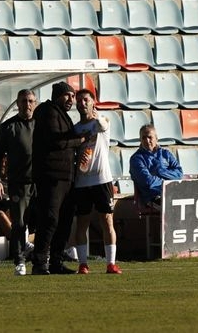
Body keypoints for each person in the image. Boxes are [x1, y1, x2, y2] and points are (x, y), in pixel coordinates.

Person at [31, 81, 88, 275]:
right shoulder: (49, 111)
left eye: (73, 96)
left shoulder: (60, 114)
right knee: (50, 219)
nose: (71, 100)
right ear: (57, 95)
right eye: (68, 95)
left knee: (64, 220)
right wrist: (79, 140)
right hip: (52, 175)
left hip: (66, 176)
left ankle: (55, 261)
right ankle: (40, 262)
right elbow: (55, 140)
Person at [70, 89, 122, 275]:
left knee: (107, 220)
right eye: (79, 100)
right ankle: (83, 263)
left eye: (86, 100)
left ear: (93, 103)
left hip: (102, 179)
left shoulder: (101, 122)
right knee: (82, 222)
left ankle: (111, 264)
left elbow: (103, 124)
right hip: (82, 181)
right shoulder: (75, 129)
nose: (82, 103)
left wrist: (96, 115)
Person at [0, 88, 37, 276]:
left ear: (35, 103)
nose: (27, 104)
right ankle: (19, 259)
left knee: (44, 220)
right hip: (19, 182)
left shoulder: (42, 125)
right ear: (17, 104)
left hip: (41, 181)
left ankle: (42, 257)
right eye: (24, 101)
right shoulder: (8, 127)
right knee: (18, 223)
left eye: (31, 101)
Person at [129, 124, 183, 209]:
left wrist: (160, 172)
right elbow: (148, 182)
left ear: (156, 138)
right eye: (143, 138)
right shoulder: (136, 159)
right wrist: (168, 182)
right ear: (140, 140)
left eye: (150, 137)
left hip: (172, 192)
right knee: (173, 207)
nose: (147, 140)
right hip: (153, 196)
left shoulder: (166, 154)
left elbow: (179, 174)